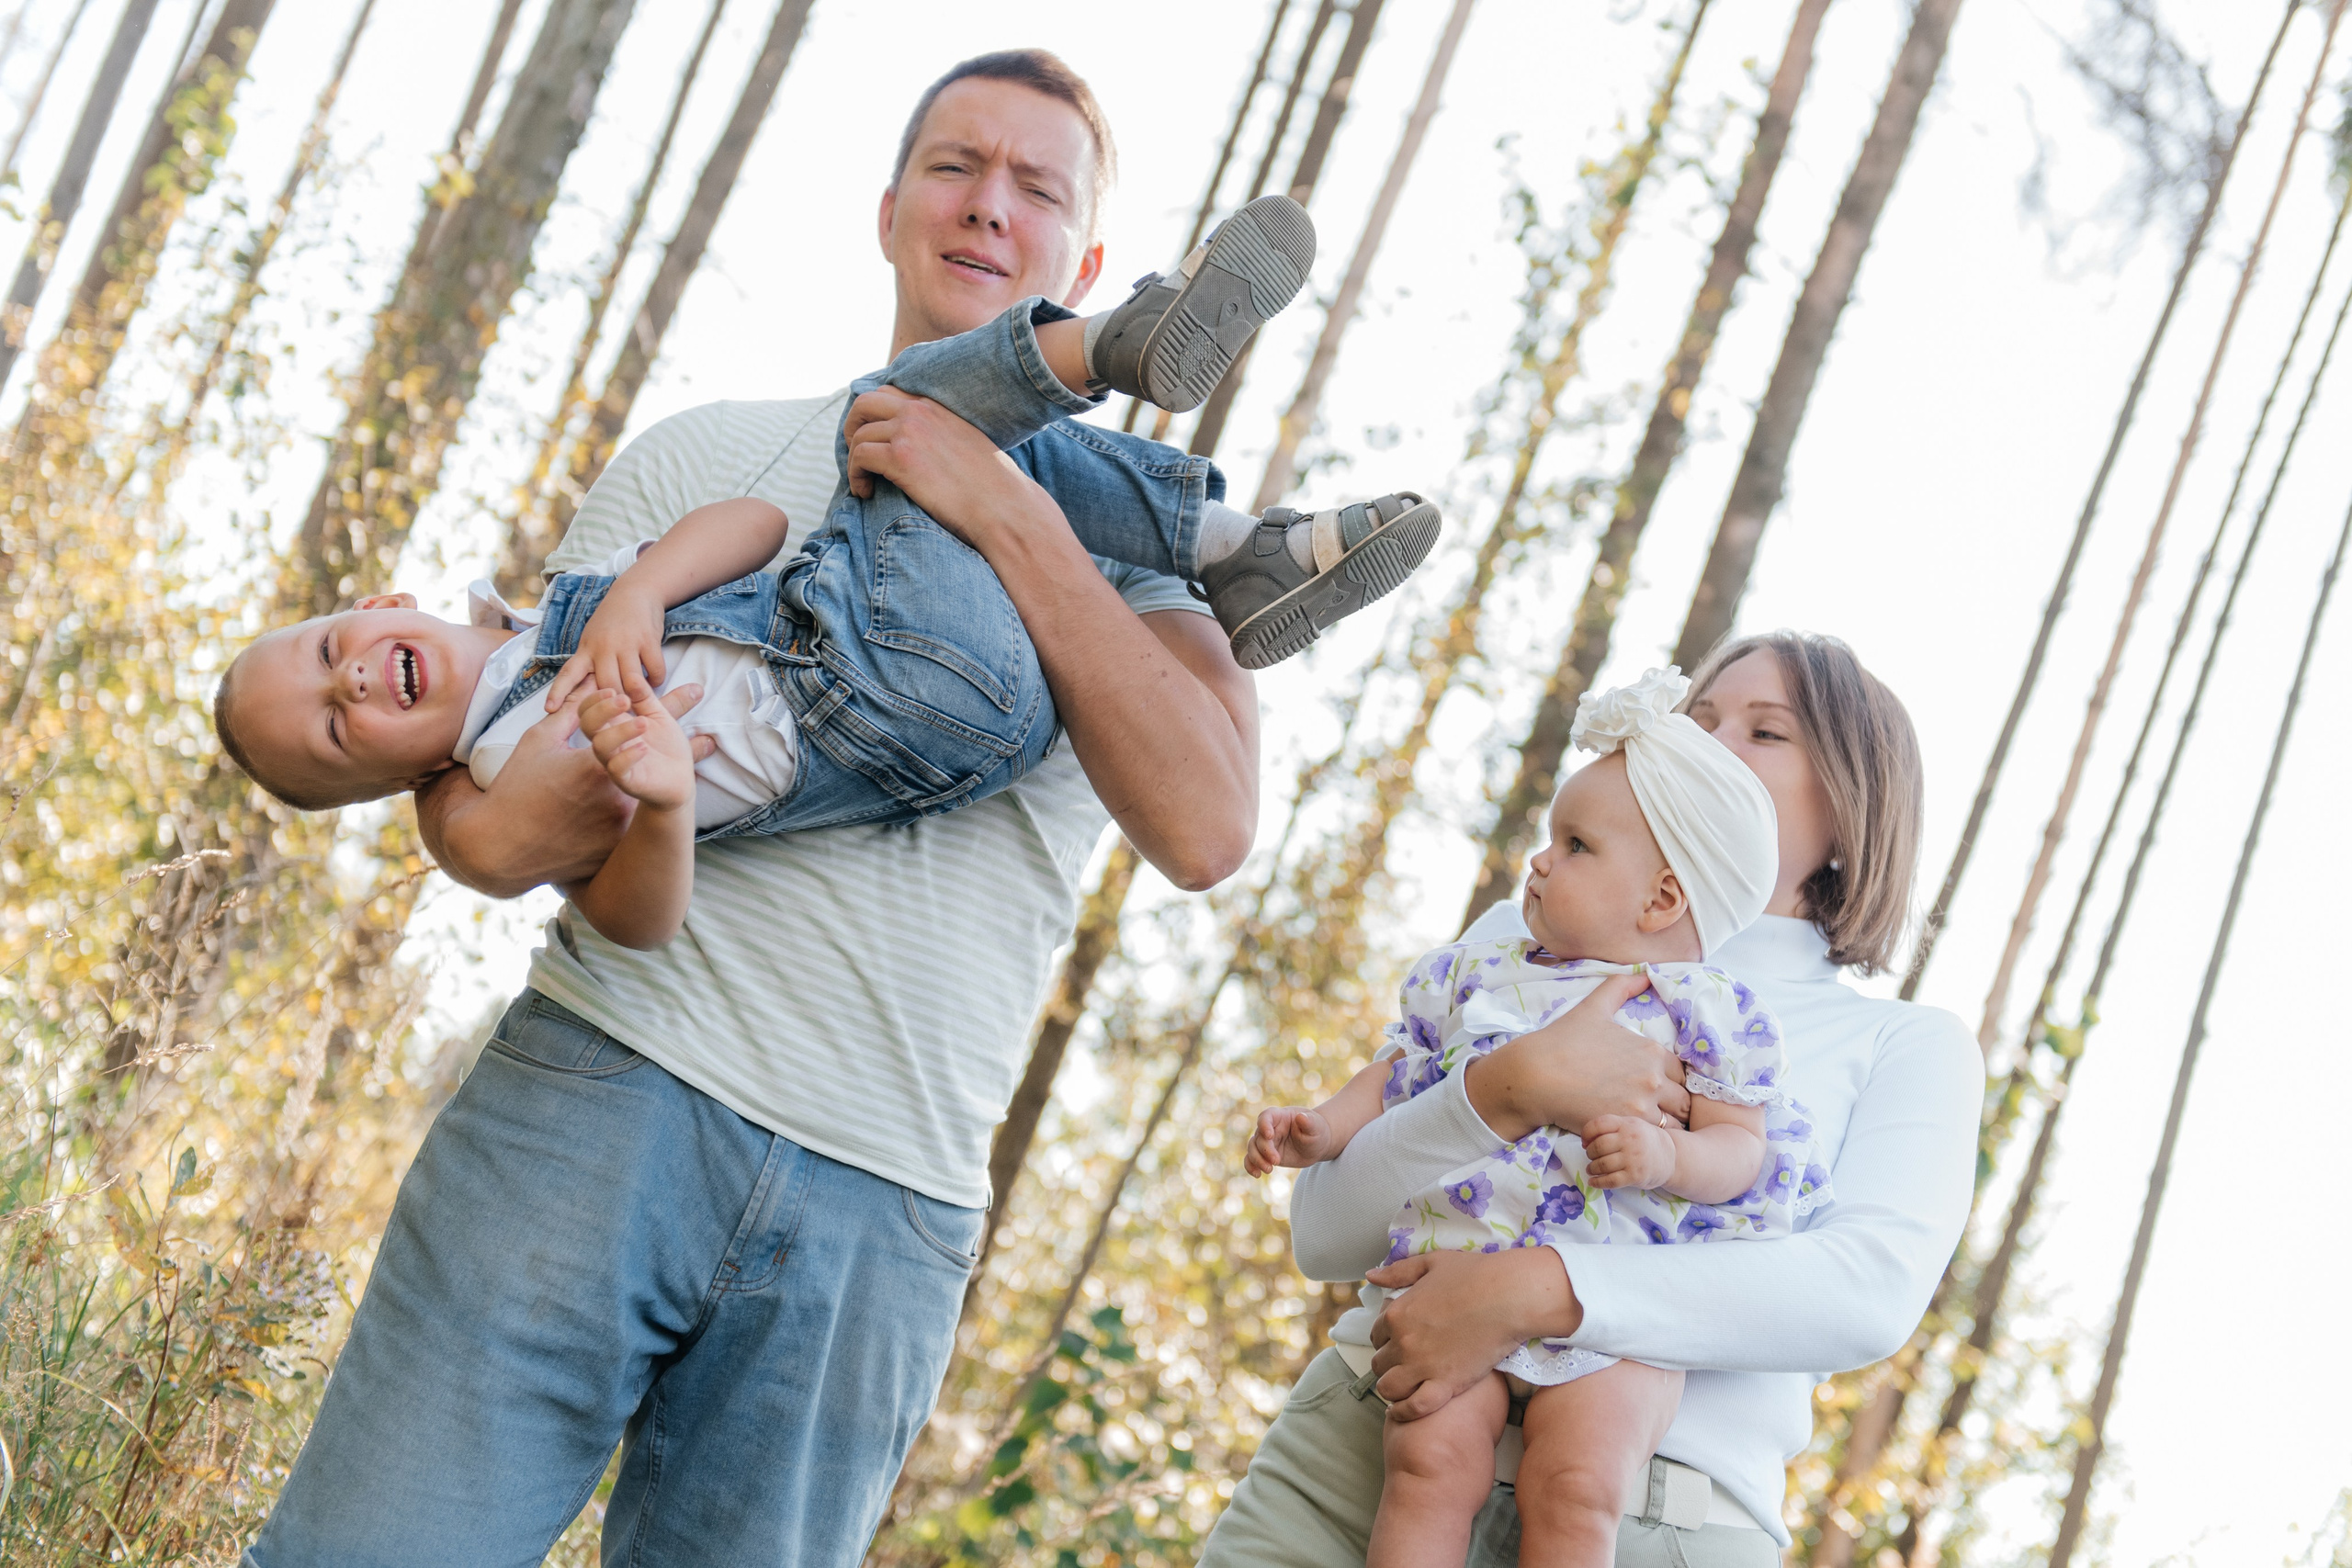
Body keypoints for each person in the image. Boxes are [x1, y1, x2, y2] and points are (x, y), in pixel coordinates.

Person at [243, 49, 1312, 1567]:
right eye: (954, 168)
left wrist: (1000, 503)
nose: (985, 206)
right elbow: (529, 779)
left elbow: (1205, 829)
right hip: (599, 1098)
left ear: (1079, 269)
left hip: (880, 1212)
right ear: (889, 209)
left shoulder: (1149, 559)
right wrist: (469, 829)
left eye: (1035, 188)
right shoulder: (700, 456)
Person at [212, 276, 1440, 948]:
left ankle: (1241, 545)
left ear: (377, 605)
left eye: (331, 653)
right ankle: (1127, 362)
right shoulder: (488, 776)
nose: (357, 683)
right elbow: (640, 923)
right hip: (865, 692)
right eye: (333, 725)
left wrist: (637, 589)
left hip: (987, 703)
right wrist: (663, 801)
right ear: (381, 781)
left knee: (941, 423)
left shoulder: (565, 611)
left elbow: (748, 529)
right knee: (906, 402)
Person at [1199, 633, 1984, 1567]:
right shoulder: (1519, 944)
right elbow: (1324, 1236)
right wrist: (1505, 1089)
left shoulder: (1899, 1044)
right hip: (1364, 1464)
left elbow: (1862, 1296)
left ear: (1850, 813)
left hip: (1661, 1523)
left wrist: (1539, 1291)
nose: (1708, 739)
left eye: (1764, 732)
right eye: (1698, 715)